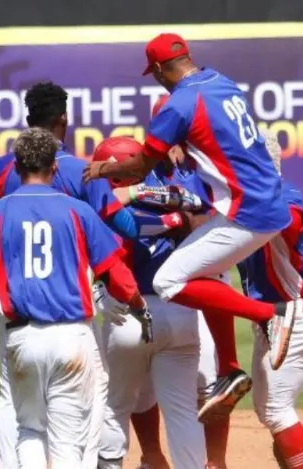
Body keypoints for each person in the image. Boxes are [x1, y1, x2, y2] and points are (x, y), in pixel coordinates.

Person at [82, 32, 301, 372]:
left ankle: (269, 316)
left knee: (167, 281)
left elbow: (141, 165)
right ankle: (228, 369)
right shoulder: (221, 81)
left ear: (157, 69)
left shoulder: (179, 104)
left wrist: (102, 169)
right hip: (269, 200)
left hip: (246, 210)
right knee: (209, 272)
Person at [0, 127, 151, 469]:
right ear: (55, 167)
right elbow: (117, 276)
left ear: (16, 167)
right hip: (72, 337)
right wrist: (139, 307)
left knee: (29, 429)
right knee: (69, 441)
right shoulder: (78, 211)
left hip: (21, 339)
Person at [0, 82, 136, 469]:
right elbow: (123, 226)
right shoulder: (79, 170)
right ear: (64, 119)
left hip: (12, 297)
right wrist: (139, 198)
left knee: (12, 396)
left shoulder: (4, 169)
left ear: (28, 118)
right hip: (68, 299)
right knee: (82, 396)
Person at [92, 136, 210, 469]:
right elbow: (197, 205)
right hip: (180, 312)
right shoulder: (171, 194)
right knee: (184, 411)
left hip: (128, 315)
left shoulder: (102, 206)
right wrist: (169, 220)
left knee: (115, 406)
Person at [239, 130, 303, 469]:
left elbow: (291, 221)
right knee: (267, 411)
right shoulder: (242, 199)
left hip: (294, 315)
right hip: (270, 318)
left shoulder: (284, 193)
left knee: (276, 411)